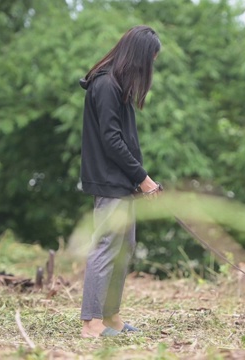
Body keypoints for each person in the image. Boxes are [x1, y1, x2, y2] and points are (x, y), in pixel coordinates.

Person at [78, 25, 162, 338]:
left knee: (123, 248)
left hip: (123, 183)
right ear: (138, 58)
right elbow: (111, 141)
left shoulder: (118, 86)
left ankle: (111, 315)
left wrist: (139, 180)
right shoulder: (104, 85)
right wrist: (143, 179)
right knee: (105, 247)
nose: (149, 69)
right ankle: (91, 323)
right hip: (109, 181)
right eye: (149, 62)